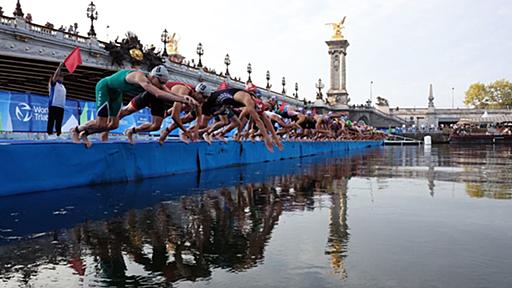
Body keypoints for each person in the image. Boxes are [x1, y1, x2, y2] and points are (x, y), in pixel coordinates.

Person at [70, 65, 198, 147]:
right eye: (161, 82)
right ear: (153, 77)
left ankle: (85, 133)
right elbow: (158, 94)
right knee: (101, 123)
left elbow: (167, 91)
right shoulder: (140, 77)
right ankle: (76, 130)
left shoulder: (156, 81)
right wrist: (181, 98)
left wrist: (184, 98)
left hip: (116, 93)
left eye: (164, 83)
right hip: (105, 88)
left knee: (114, 125)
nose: (162, 84)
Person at [47, 63, 66, 137]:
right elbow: (55, 76)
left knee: (59, 122)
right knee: (51, 121)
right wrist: (59, 67)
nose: (62, 78)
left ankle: (58, 134)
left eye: (62, 77)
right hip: (53, 105)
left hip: (61, 107)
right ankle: (49, 133)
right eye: (60, 76)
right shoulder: (54, 84)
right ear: (57, 77)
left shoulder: (63, 86)